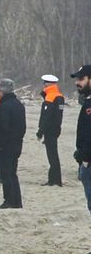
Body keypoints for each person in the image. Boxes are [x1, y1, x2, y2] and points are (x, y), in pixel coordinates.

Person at [0, 78, 26, 209]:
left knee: (6, 173)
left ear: (2, 90)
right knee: (12, 172)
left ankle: (9, 200)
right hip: (17, 143)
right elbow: (22, 127)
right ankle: (16, 201)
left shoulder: (4, 106)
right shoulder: (18, 104)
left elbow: (3, 127)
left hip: (6, 145)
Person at [37, 74, 65, 187]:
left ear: (48, 84)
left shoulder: (51, 96)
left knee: (52, 155)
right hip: (55, 129)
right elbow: (59, 116)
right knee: (53, 154)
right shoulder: (59, 96)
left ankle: (55, 180)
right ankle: (55, 179)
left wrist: (40, 131)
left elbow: (46, 116)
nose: (44, 85)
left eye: (45, 83)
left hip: (50, 130)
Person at [70, 65, 91, 215]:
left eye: (81, 79)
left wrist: (86, 156)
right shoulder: (87, 101)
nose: (78, 82)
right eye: (77, 79)